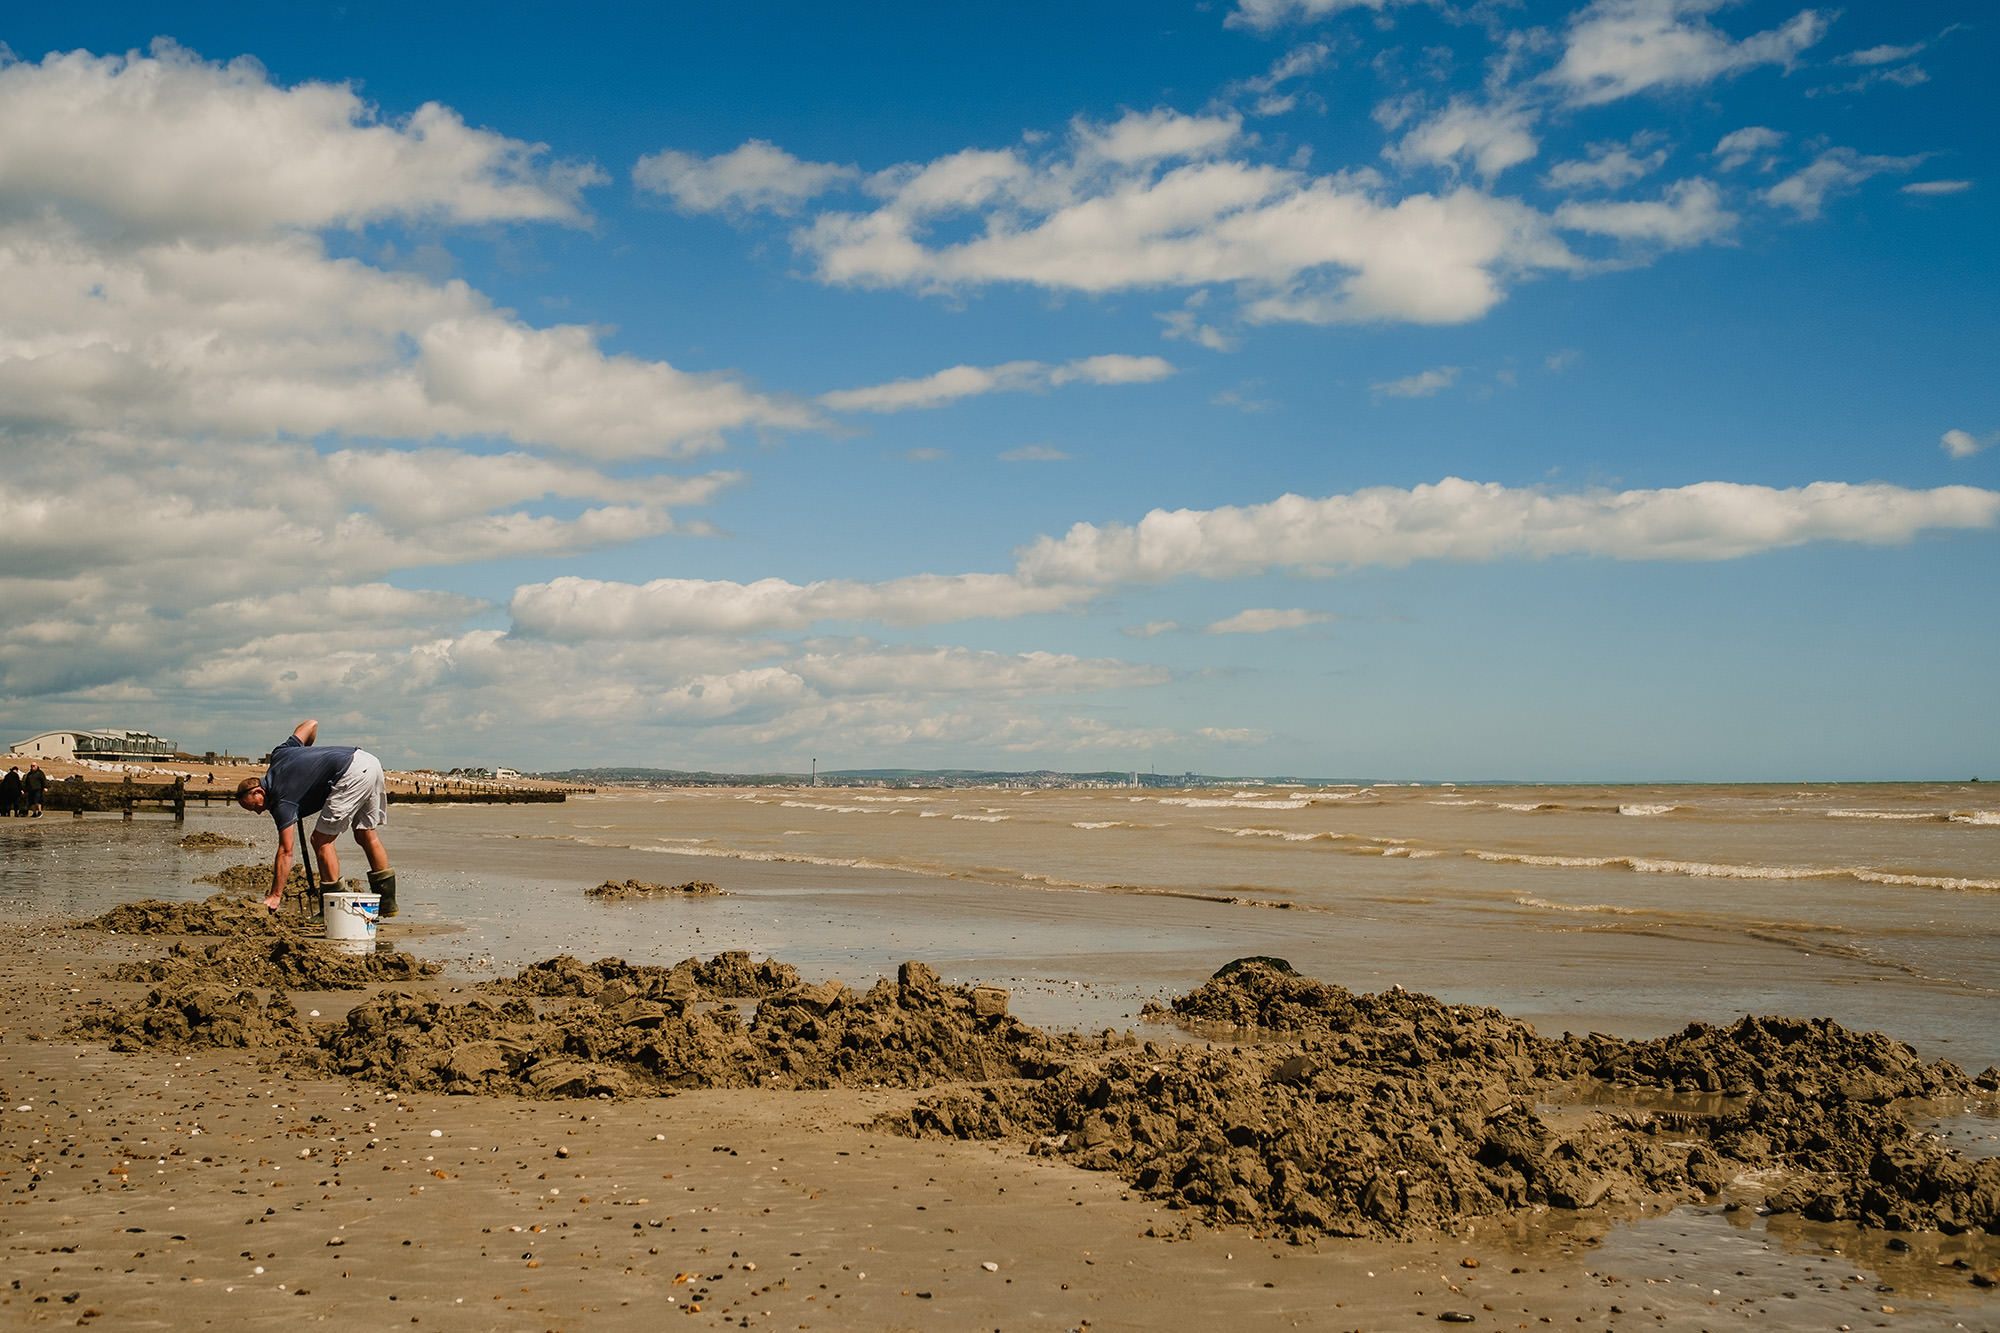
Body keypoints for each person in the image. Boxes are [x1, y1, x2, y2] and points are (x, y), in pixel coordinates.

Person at [234, 719, 398, 916]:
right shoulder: (280, 753)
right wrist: (306, 754)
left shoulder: (280, 801)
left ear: (260, 792)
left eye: (254, 807)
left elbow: (286, 851)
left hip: (350, 773)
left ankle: (332, 910)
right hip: (369, 761)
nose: (259, 812)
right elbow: (311, 724)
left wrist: (275, 895)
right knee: (365, 833)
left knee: (320, 841)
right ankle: (387, 905)